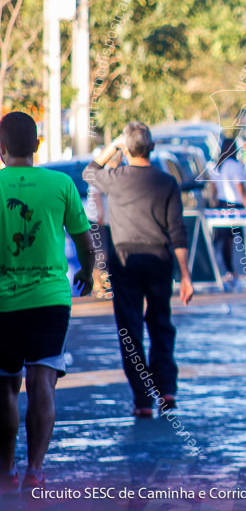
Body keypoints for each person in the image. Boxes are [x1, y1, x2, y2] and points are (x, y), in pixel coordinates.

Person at [0, 112, 94, 496]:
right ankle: (36, 470)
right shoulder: (62, 183)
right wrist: (87, 273)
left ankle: (5, 469)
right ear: (37, 146)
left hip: (3, 302)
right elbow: (86, 242)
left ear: (1, 149)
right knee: (43, 383)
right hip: (51, 299)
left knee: (5, 387)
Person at [85, 123, 194, 418]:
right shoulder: (167, 182)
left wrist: (112, 147)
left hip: (125, 259)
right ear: (152, 147)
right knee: (160, 323)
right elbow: (177, 232)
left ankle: (143, 399)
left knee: (130, 329)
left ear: (127, 147)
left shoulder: (116, 177)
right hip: (159, 259)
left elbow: (89, 172)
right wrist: (185, 276)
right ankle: (167, 389)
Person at [210, 138, 246, 285]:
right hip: (235, 205)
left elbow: (213, 189)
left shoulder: (218, 166)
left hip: (222, 205)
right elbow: (240, 188)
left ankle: (229, 271)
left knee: (226, 241)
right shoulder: (234, 166)